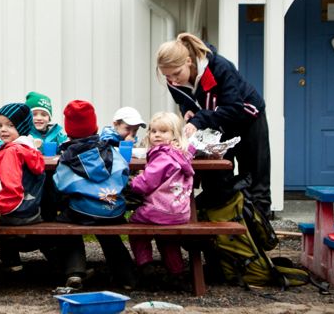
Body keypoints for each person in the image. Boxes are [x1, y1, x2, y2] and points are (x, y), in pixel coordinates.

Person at [156, 32, 271, 216]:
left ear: (188, 61)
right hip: (217, 123)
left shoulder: (219, 67)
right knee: (215, 178)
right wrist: (187, 110)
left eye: (176, 74)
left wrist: (199, 119)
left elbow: (233, 107)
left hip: (248, 118)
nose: (173, 80)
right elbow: (184, 101)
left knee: (256, 180)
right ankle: (217, 234)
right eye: (167, 76)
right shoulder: (174, 80)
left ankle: (258, 235)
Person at [54, 99, 136, 290]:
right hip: (112, 209)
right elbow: (123, 176)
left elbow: (60, 185)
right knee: (108, 226)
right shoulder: (110, 150)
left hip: (82, 212)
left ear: (68, 131)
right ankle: (126, 277)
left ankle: (75, 271)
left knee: (65, 223)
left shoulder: (68, 157)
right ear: (96, 127)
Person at [127, 112, 194, 286]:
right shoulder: (182, 155)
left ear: (175, 135)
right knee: (167, 238)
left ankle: (145, 265)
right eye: (153, 130)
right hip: (180, 213)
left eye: (163, 131)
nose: (156, 134)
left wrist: (133, 182)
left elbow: (145, 184)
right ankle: (177, 271)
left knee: (134, 225)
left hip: (159, 210)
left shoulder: (163, 157)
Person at [0, 102, 46, 273]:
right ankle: (11, 257)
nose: (3, 129)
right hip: (32, 210)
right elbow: (20, 177)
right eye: (0, 125)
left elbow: (12, 190)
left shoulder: (10, 152)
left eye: (10, 125)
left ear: (22, 126)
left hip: (16, 213)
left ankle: (5, 258)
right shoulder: (29, 147)